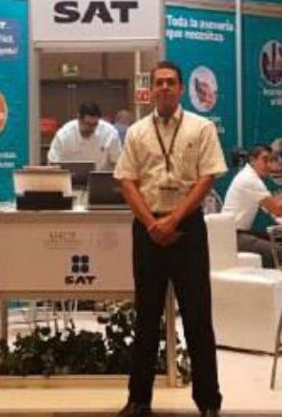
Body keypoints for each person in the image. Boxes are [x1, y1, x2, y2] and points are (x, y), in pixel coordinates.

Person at [114, 61, 226, 417]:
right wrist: (152, 224)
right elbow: (127, 181)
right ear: (150, 90)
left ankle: (208, 402)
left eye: (170, 82)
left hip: (187, 230)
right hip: (148, 230)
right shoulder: (136, 132)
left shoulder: (201, 127)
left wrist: (174, 219)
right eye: (158, 82)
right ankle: (138, 400)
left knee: (197, 318)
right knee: (146, 319)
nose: (164, 87)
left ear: (180, 89)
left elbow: (207, 177)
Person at [222, 144, 282, 269]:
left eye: (271, 160)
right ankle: (281, 281)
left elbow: (270, 204)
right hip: (234, 236)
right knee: (281, 252)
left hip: (235, 233)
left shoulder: (249, 176)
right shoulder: (250, 180)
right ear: (252, 160)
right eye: (265, 160)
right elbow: (277, 210)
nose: (269, 165)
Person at [47, 102, 121, 170]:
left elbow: (117, 162)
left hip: (101, 177)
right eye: (87, 124)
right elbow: (53, 162)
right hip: (69, 177)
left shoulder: (110, 133)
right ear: (79, 118)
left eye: (94, 124)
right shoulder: (64, 134)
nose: (91, 128)